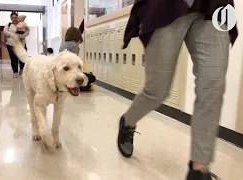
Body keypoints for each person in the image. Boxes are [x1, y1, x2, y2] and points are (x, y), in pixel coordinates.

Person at [117, 1, 238, 180]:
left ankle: (199, 168)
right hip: (164, 6)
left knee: (213, 86)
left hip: (213, 5)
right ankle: (128, 121)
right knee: (157, 91)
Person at [59, 27, 95, 92]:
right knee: (92, 77)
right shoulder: (74, 45)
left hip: (63, 72)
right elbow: (74, 62)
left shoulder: (63, 44)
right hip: (70, 74)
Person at [3, 11, 29, 78]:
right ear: (11, 18)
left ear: (18, 18)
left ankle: (22, 70)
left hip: (21, 44)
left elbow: (27, 32)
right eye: (13, 17)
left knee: (22, 58)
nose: (14, 19)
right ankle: (15, 72)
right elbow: (5, 32)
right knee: (13, 59)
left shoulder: (22, 24)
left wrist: (20, 36)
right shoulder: (8, 25)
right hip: (11, 45)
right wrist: (13, 35)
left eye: (16, 17)